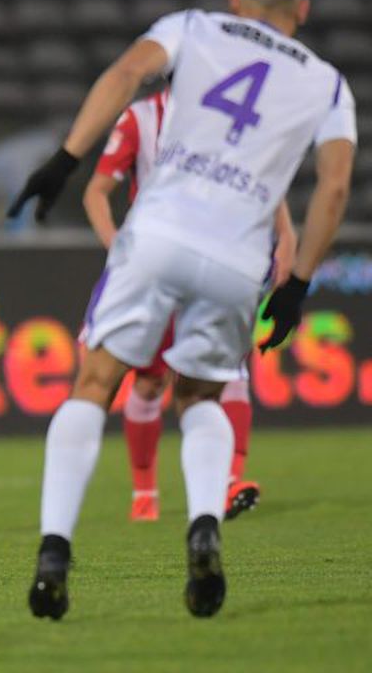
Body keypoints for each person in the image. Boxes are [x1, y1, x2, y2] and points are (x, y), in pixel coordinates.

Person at [9, 0, 356, 619]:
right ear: (302, 9)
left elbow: (127, 72)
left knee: (95, 382)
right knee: (200, 395)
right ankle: (203, 526)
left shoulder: (191, 26)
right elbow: (336, 186)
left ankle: (55, 546)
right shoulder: (327, 82)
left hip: (159, 233)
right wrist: (299, 283)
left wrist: (65, 157)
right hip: (236, 255)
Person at [83, 88, 297, 522]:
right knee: (148, 383)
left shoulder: (229, 120)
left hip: (215, 261)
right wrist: (118, 248)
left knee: (228, 372)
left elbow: (261, 182)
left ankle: (228, 483)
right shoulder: (140, 117)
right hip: (154, 266)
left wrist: (286, 235)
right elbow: (97, 191)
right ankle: (145, 492)